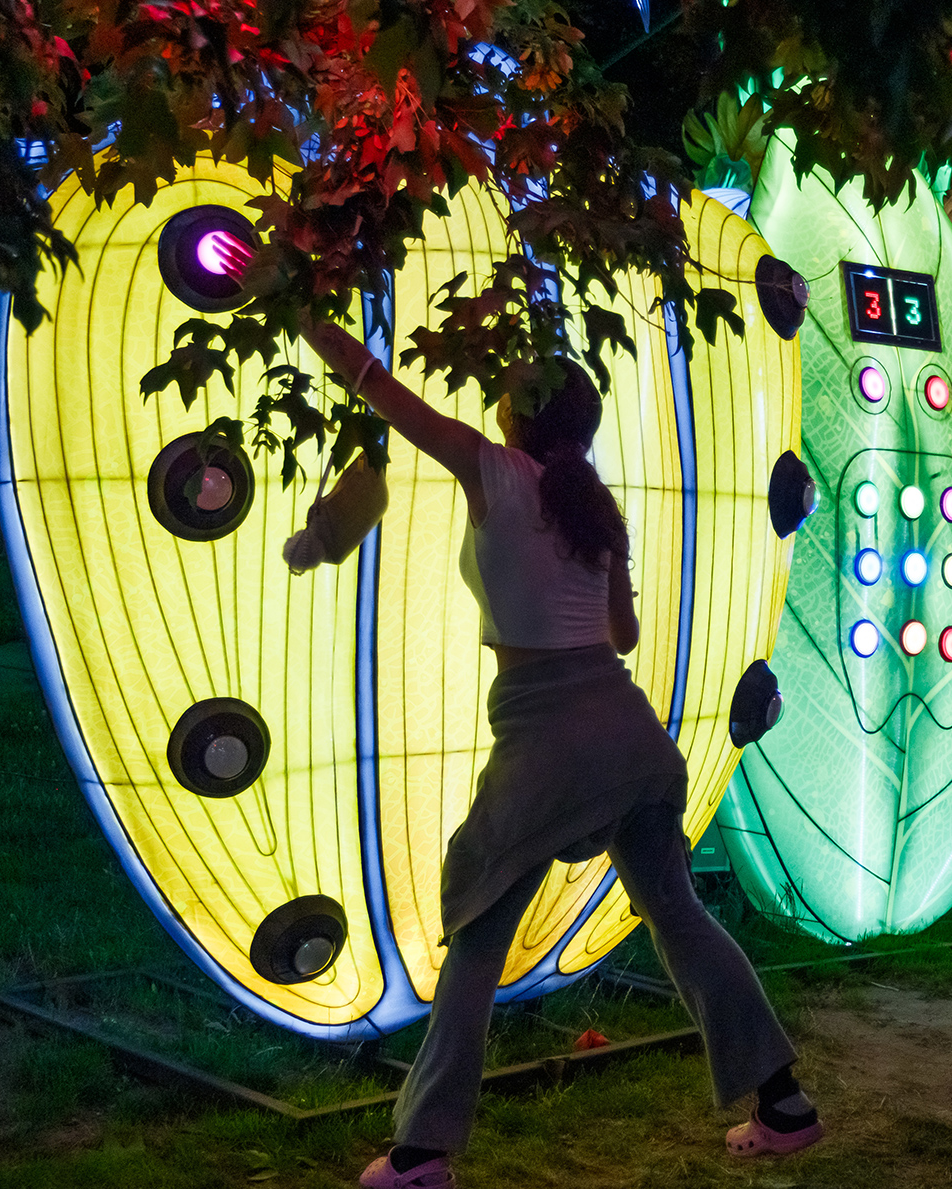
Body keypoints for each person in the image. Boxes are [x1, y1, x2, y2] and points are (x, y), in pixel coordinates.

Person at [300, 322, 823, 1189]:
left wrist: (304, 305)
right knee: (678, 914)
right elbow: (624, 632)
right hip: (629, 734)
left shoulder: (491, 468)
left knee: (476, 929)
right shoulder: (593, 505)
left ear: (517, 415)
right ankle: (783, 1103)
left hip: (547, 736)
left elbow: (374, 384)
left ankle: (421, 1154)